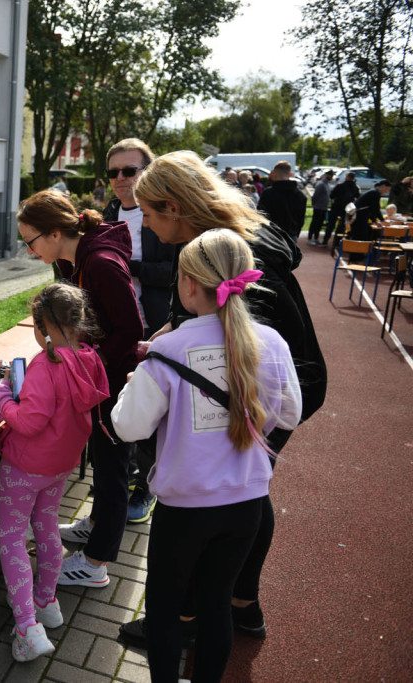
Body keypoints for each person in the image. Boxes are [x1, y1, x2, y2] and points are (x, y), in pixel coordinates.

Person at [121, 150, 326, 645]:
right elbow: (212, 324)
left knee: (230, 495)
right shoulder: (222, 244)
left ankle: (187, 617)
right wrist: (174, 334)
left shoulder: (232, 257)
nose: (145, 224)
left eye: (148, 213)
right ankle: (241, 605)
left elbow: (245, 339)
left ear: (174, 207)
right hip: (272, 382)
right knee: (246, 489)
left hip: (277, 387)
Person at [111, 229, 301, 683]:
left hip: (185, 508)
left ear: (188, 284)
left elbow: (129, 426)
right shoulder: (271, 342)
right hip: (246, 504)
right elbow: (289, 411)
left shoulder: (168, 349)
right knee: (217, 602)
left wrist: (131, 387)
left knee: (164, 607)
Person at [16, 190, 144, 589]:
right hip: (97, 379)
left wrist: (86, 366)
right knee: (104, 463)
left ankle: (95, 562)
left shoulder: (101, 264)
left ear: (55, 233)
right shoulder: (76, 262)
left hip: (109, 384)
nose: (30, 250)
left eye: (30, 241)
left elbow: (131, 329)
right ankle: (95, 524)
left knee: (113, 470)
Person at [0, 283, 109, 662]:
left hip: (25, 465)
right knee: (46, 527)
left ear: (42, 326)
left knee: (11, 540)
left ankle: (27, 627)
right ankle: (47, 602)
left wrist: (3, 398)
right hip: (60, 465)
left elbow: (29, 421)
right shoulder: (89, 358)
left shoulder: (45, 364)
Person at [100, 137, 176, 525]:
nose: (120, 179)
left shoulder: (164, 214)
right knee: (121, 406)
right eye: (113, 172)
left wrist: (133, 268)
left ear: (148, 171)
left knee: (152, 413)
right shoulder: (109, 212)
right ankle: (120, 478)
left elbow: (180, 271)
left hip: (159, 324)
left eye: (130, 170)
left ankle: (145, 489)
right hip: (121, 327)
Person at [257, 160, 308, 242]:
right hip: (291, 235)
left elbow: (260, 215)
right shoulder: (300, 195)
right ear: (290, 174)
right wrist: (295, 233)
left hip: (271, 235)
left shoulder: (268, 194)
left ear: (274, 174)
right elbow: (301, 219)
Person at [325, 171, 360, 255]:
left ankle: (325, 240)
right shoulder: (355, 187)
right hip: (346, 209)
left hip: (336, 207)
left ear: (346, 177)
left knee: (331, 224)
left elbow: (332, 195)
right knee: (342, 226)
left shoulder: (340, 186)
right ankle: (337, 242)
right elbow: (357, 197)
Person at [307, 169, 335, 245]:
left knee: (319, 224)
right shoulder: (321, 184)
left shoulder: (327, 185)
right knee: (314, 223)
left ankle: (316, 238)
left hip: (323, 207)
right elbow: (315, 195)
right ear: (327, 175)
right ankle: (309, 238)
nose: (332, 177)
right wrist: (314, 204)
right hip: (318, 207)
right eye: (330, 175)